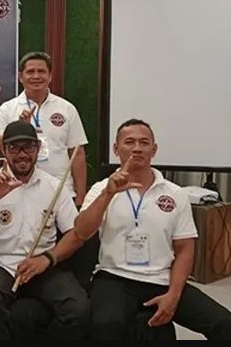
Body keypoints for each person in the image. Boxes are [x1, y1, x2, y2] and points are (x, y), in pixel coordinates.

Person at [74, 118, 231, 340]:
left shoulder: (175, 194)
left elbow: (185, 249)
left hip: (162, 278)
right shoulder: (101, 189)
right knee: (106, 325)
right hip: (114, 277)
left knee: (223, 323)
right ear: (116, 149)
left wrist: (173, 296)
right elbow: (81, 232)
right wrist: (107, 195)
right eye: (129, 142)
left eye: (144, 142)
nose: (137, 148)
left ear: (154, 150)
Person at [0, 120, 89, 340]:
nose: (22, 154)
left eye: (28, 147)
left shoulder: (54, 185)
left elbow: (76, 235)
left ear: (38, 148)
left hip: (42, 262)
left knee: (77, 308)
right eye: (14, 148)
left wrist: (47, 259)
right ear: (3, 149)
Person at [0, 51, 88, 207]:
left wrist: (81, 196)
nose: (36, 76)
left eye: (41, 71)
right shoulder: (8, 108)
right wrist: (16, 128)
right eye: (30, 72)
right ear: (21, 77)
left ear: (50, 76)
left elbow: (77, 153)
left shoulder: (66, 108)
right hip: (18, 191)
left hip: (61, 191)